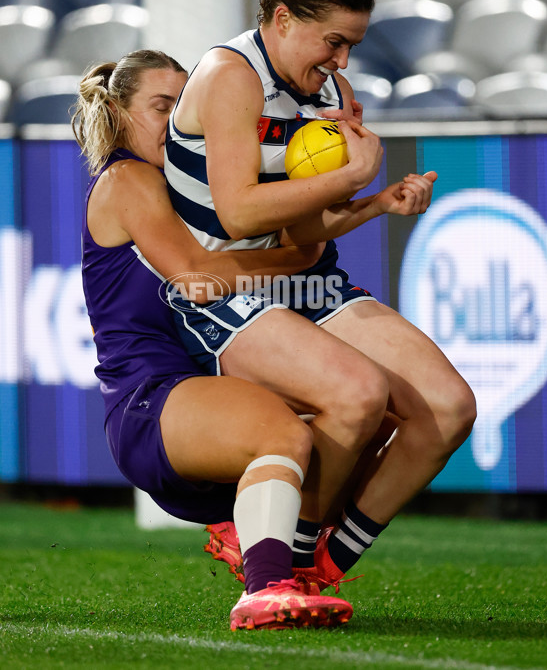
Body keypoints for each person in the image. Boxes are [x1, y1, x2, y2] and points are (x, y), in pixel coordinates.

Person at [163, 0, 477, 590]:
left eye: (350, 47)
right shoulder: (230, 75)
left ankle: (319, 563)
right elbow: (238, 214)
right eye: (333, 42)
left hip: (305, 279)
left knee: (448, 408)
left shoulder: (330, 89)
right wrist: (361, 169)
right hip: (225, 286)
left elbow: (306, 231)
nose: (341, 61)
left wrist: (374, 202)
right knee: (359, 393)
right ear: (281, 20)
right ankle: (285, 551)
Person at [73, 49, 357, 631]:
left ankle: (263, 540)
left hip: (206, 395)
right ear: (118, 113)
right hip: (151, 403)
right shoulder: (128, 178)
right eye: (160, 106)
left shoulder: (196, 194)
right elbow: (194, 276)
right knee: (280, 428)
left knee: (363, 414)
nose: (176, 119)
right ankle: (267, 588)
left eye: (184, 106)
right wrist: (299, 253)